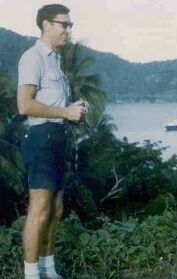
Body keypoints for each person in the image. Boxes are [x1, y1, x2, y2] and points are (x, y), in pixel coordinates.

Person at [17, 4, 86, 279]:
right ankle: (31, 274)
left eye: (70, 25)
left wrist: (72, 110)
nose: (69, 30)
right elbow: (24, 105)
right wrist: (65, 112)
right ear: (47, 25)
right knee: (40, 209)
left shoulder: (55, 59)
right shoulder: (32, 57)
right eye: (64, 24)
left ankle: (48, 268)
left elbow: (52, 102)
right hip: (41, 137)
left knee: (55, 209)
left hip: (57, 136)